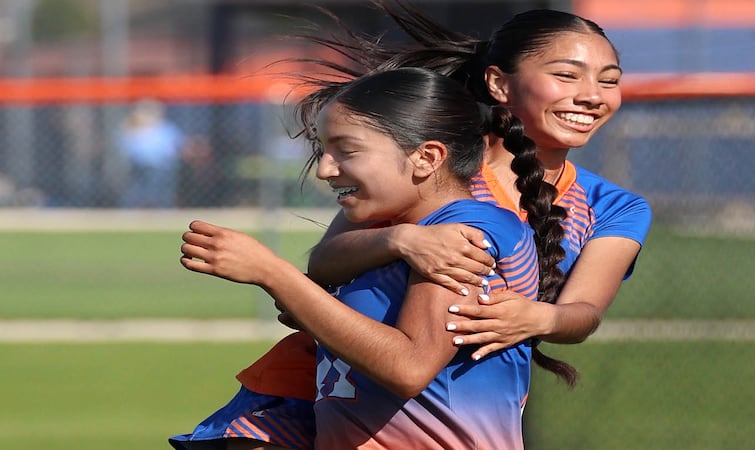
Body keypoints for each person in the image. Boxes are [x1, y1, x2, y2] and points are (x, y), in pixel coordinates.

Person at [171, 3, 652, 448]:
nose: (591, 95)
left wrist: (539, 318)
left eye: (609, 80)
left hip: (420, 409)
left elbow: (582, 313)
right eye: (566, 75)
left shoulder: (608, 208)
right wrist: (402, 240)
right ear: (499, 84)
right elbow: (326, 262)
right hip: (325, 391)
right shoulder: (431, 173)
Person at [172, 67, 558, 449]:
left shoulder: (462, 234)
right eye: (323, 149)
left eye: (346, 150)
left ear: (427, 157)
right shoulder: (396, 226)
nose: (324, 169)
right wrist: (390, 245)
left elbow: (409, 367)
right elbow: (323, 264)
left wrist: (272, 273)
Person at [117, 98, 187, 208]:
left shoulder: (165, 128)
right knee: (139, 188)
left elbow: (176, 146)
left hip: (164, 166)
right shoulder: (132, 129)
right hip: (141, 166)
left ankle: (162, 207)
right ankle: (133, 208)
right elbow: (129, 149)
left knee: (161, 186)